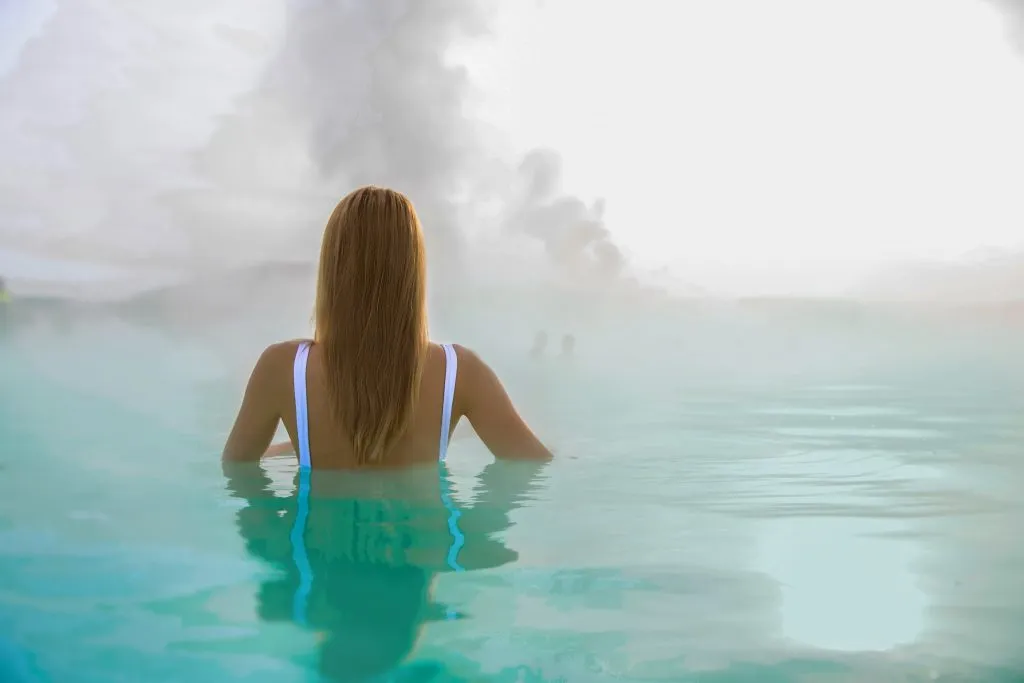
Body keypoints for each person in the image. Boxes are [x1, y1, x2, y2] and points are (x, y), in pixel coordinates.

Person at [223, 186, 552, 466]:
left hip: (314, 542)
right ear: (412, 271)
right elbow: (534, 466)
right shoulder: (459, 372)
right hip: (430, 542)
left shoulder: (283, 369)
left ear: (333, 267)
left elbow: (236, 473)